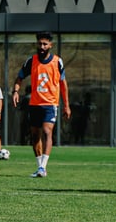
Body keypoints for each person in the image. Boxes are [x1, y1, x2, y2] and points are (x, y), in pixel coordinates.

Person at [10, 31, 71, 177]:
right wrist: (15, 91)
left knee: (47, 131)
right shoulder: (31, 61)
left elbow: (63, 84)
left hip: (50, 104)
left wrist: (66, 105)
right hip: (34, 104)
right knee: (35, 134)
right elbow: (19, 78)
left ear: (50, 45)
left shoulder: (57, 61)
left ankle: (43, 167)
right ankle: (39, 166)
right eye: (39, 44)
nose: (42, 46)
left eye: (45, 44)